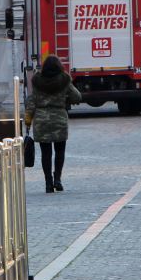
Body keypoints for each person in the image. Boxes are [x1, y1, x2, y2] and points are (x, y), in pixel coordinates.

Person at [24, 55, 83, 193]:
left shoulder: (37, 81)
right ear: (58, 66)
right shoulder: (64, 80)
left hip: (41, 120)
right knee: (60, 151)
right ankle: (58, 179)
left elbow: (32, 102)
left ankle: (48, 183)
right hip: (59, 119)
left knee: (46, 153)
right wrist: (65, 98)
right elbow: (77, 97)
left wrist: (27, 120)